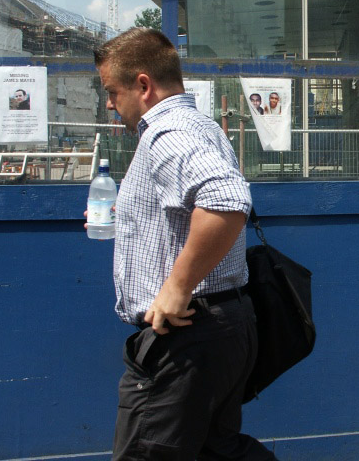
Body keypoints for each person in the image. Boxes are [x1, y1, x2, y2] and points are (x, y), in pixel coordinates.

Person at [92, 28, 277, 461]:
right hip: (217, 327)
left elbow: (226, 202)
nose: (109, 103)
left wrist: (177, 287)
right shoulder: (198, 125)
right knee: (216, 452)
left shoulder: (168, 132)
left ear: (143, 85)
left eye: (111, 91)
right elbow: (190, 206)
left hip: (188, 334)